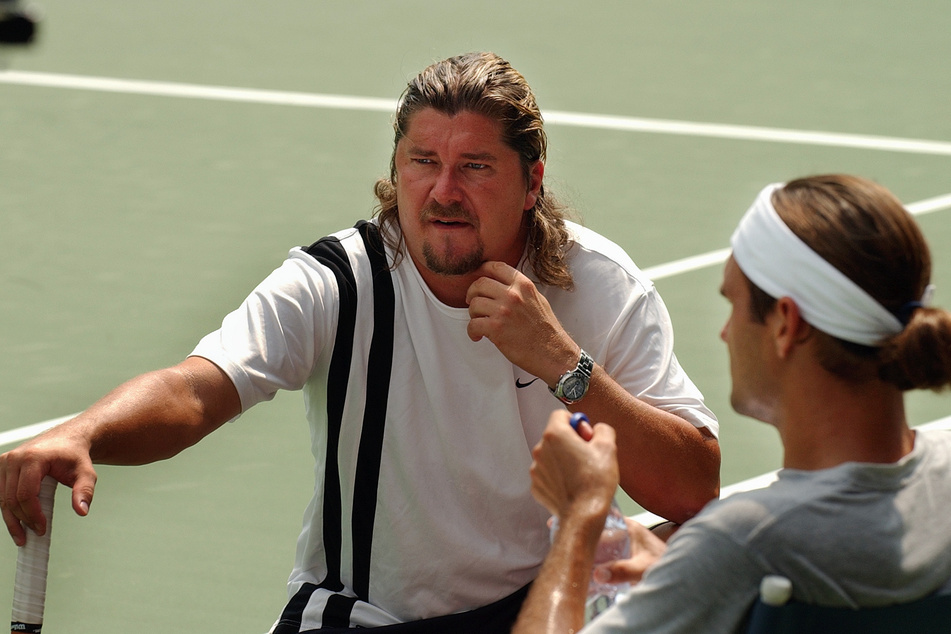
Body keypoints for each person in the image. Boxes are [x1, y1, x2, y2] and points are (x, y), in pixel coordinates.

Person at [0, 52, 719, 631]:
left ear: (530, 182)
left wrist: (564, 363)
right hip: (367, 613)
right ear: (395, 168)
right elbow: (197, 388)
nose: (442, 191)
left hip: (547, 599)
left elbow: (692, 488)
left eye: (474, 166)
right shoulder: (337, 280)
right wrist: (87, 431)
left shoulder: (598, 285)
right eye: (421, 162)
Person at [513, 174, 951, 634]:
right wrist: (685, 575)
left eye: (734, 305)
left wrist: (580, 518)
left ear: (786, 324)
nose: (725, 333)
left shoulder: (743, 546)